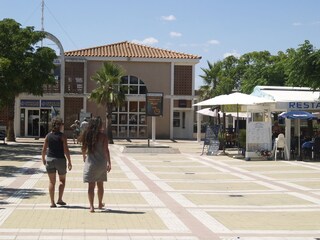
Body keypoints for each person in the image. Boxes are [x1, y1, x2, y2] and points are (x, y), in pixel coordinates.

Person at [80, 116, 111, 212]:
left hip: (91, 163)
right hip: (101, 163)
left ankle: (91, 206)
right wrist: (109, 162)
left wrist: (84, 156)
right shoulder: (103, 136)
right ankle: (100, 203)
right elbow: (106, 150)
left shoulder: (87, 135)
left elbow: (84, 148)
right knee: (100, 185)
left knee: (91, 186)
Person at [41, 117, 72, 208]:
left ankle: (52, 202)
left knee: (51, 182)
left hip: (50, 159)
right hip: (60, 160)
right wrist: (69, 161)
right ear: (59, 126)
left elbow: (44, 149)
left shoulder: (48, 136)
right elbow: (66, 150)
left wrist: (43, 158)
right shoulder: (62, 136)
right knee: (62, 181)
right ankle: (60, 199)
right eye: (62, 124)